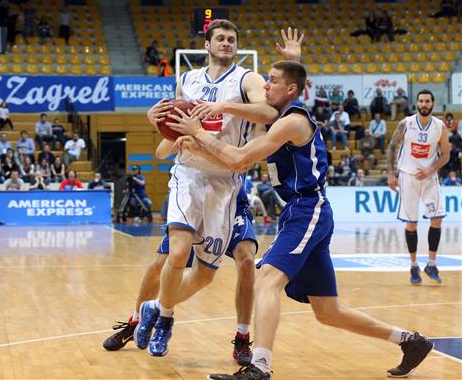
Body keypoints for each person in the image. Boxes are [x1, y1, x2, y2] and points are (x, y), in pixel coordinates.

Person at [170, 61, 434, 379]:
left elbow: (239, 159)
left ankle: (260, 367)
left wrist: (198, 132)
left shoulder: (292, 122)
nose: (265, 86)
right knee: (328, 311)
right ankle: (410, 342)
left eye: (272, 81)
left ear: (290, 89)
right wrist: (197, 144)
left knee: (266, 280)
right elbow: (237, 160)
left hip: (309, 209)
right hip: (304, 211)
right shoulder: (281, 119)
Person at [133, 24, 303, 358]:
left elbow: (269, 112)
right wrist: (153, 119)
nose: (226, 43)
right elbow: (171, 127)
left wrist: (224, 107)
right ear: (207, 44)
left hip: (224, 182)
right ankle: (164, 318)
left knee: (205, 276)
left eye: (232, 40)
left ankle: (155, 307)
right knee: (176, 253)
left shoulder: (248, 79)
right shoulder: (188, 79)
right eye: (220, 38)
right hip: (188, 175)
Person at [103, 139, 258, 366]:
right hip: (194, 196)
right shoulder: (196, 113)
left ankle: (242, 336)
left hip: (232, 200)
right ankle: (137, 321)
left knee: (246, 261)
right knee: (162, 264)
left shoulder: (241, 117)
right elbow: (161, 150)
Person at [387, 89, 450, 285]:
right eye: (421, 101)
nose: (424, 104)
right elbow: (391, 147)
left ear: (433, 104)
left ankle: (431, 263)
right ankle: (414, 265)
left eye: (427, 101)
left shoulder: (439, 126)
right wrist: (391, 173)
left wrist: (431, 169)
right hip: (408, 177)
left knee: (437, 219)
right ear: (417, 103)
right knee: (411, 223)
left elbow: (446, 154)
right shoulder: (406, 123)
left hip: (430, 178)